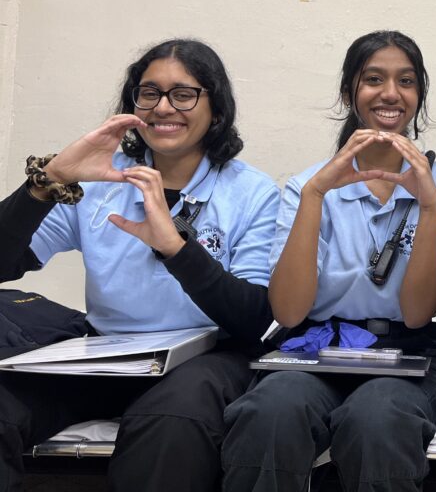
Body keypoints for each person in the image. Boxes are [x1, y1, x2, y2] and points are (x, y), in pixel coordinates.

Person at [0, 38, 279, 492]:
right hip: (107, 355)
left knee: (171, 419)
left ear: (216, 108)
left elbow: (254, 318)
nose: (163, 107)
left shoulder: (252, 193)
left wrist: (177, 249)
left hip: (208, 359)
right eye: (149, 93)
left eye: (183, 94)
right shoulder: (102, 181)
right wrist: (47, 181)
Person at [220, 30, 436, 492]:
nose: (391, 93)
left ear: (419, 95)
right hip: (315, 348)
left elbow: (418, 312)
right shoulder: (306, 186)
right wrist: (316, 194)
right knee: (270, 410)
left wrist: (430, 209)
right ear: (348, 92)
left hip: (410, 351)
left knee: (376, 417)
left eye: (407, 81)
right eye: (374, 79)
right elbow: (290, 312)